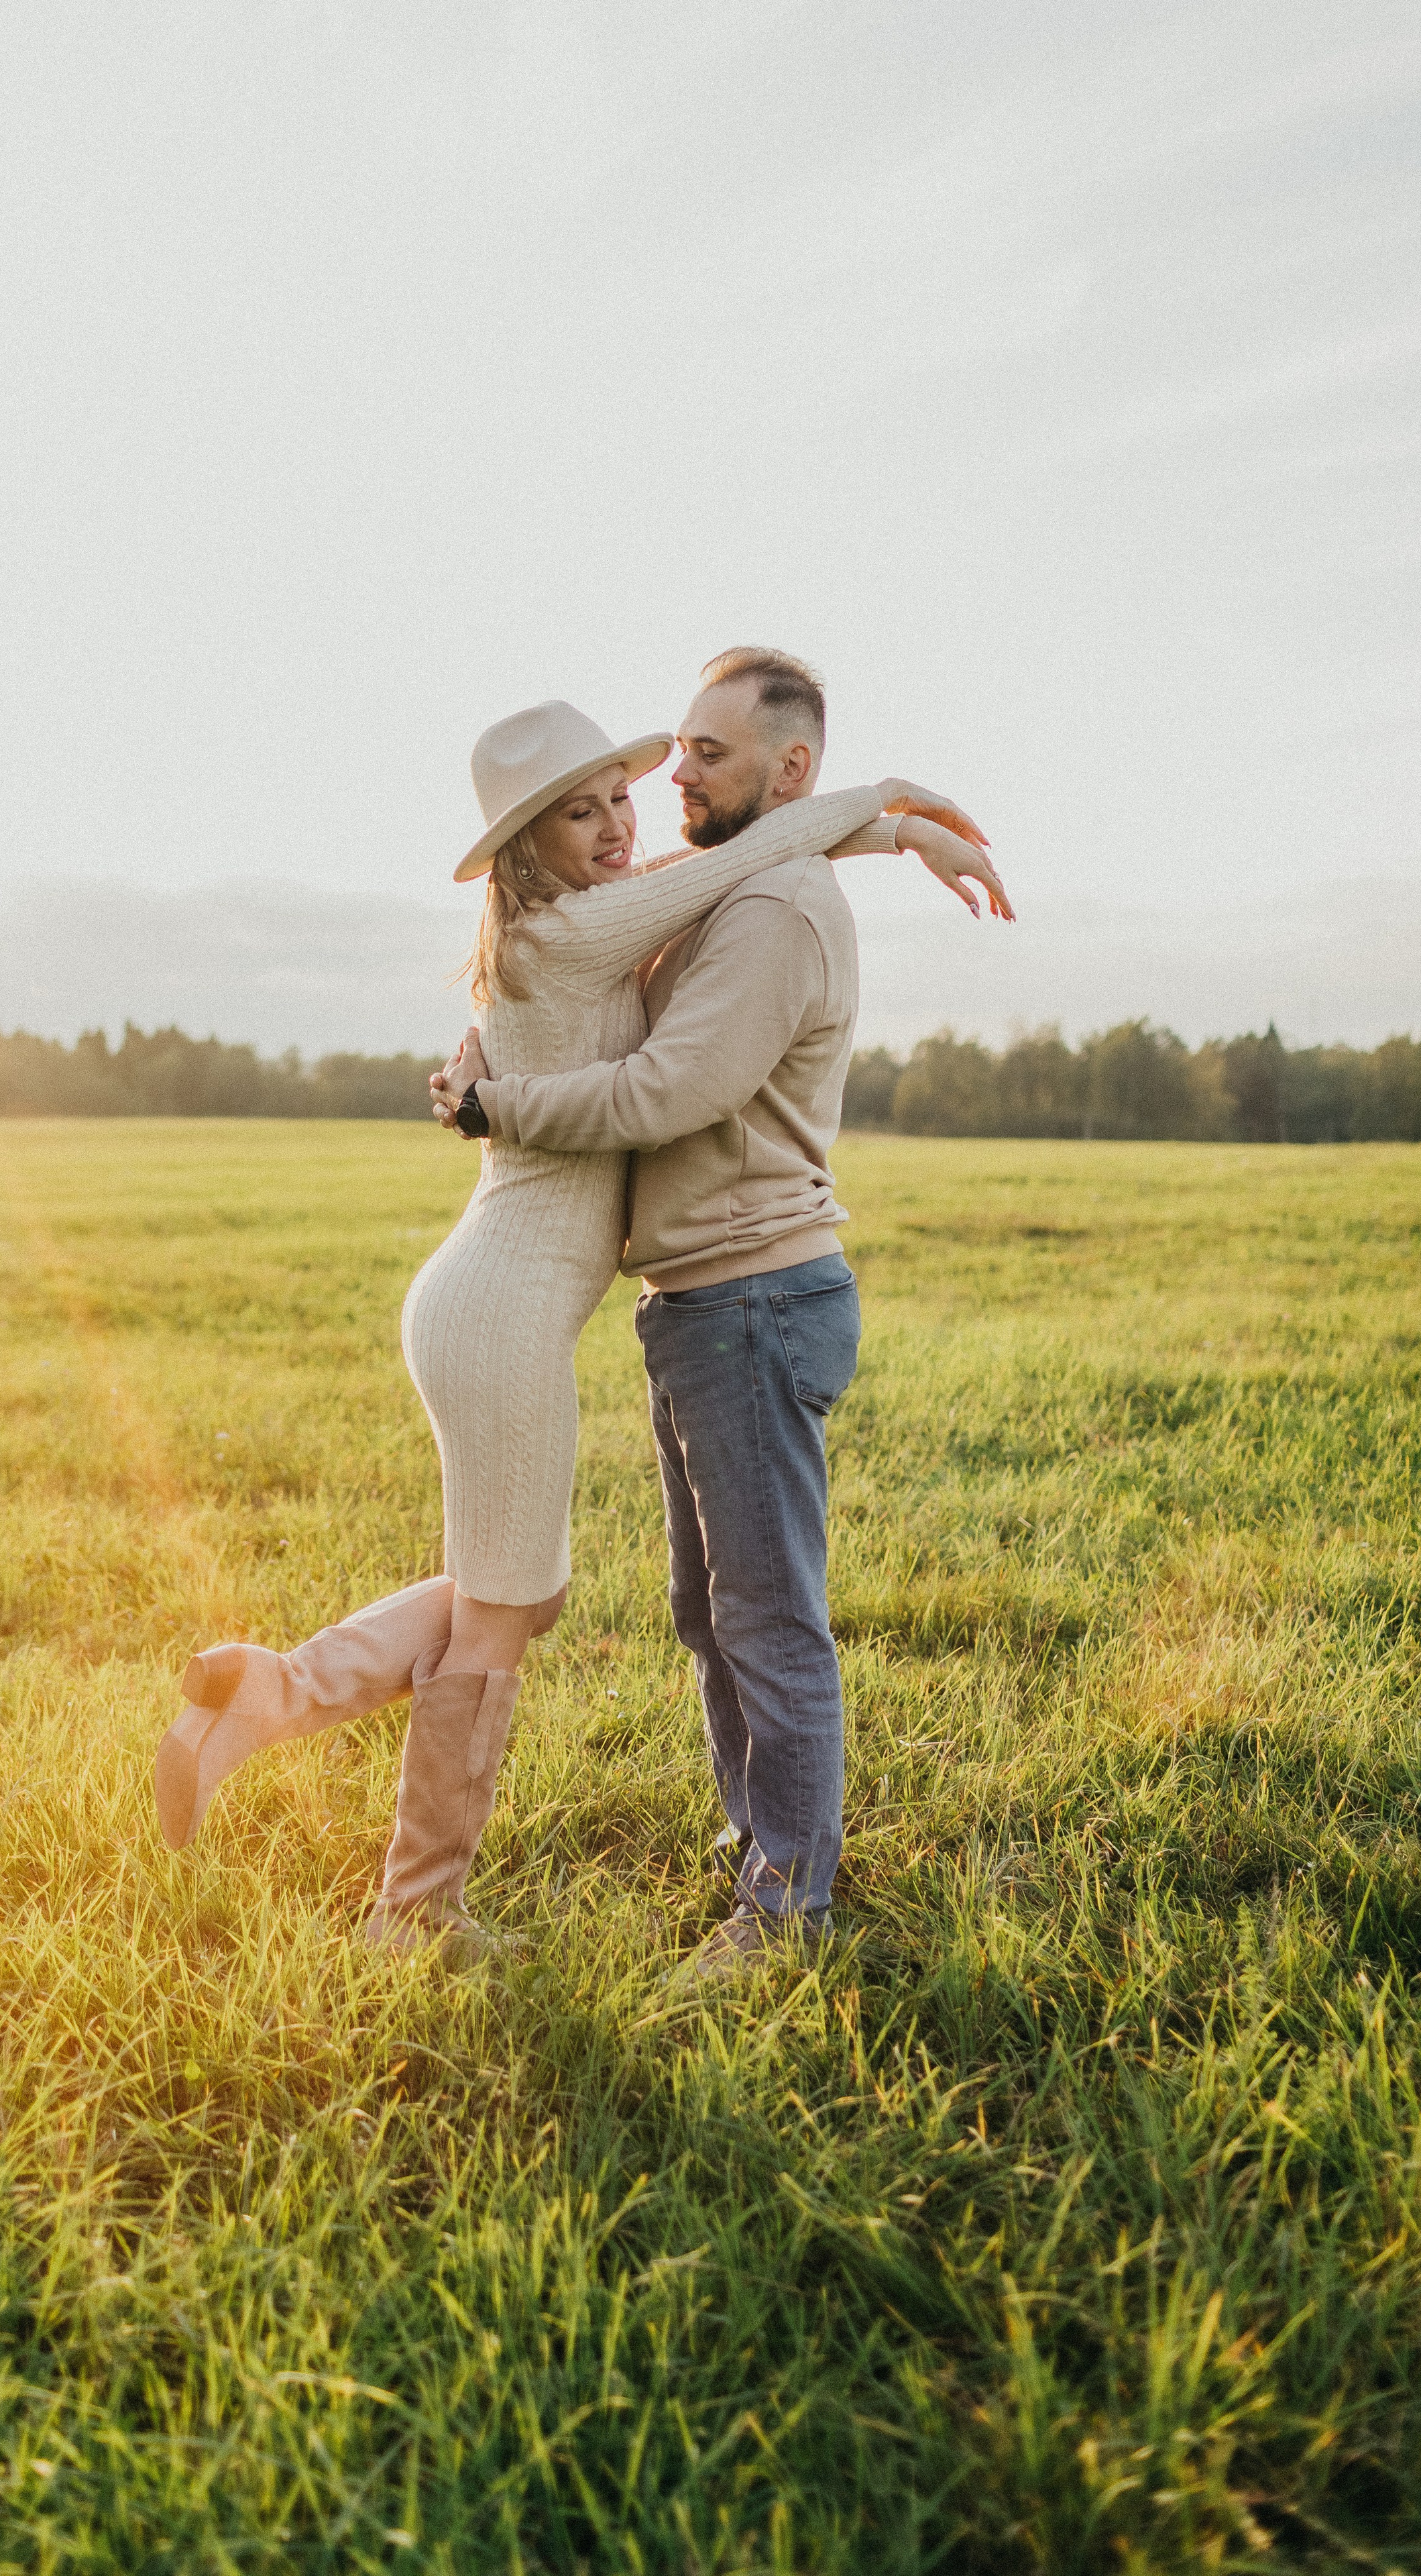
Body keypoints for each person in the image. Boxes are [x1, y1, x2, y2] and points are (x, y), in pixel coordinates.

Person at [155, 688, 1005, 1964]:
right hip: (499, 1311)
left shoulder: (556, 935)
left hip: (487, 1301)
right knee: (504, 1613)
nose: (617, 825)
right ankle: (412, 1910)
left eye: (620, 796)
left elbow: (722, 863)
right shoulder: (580, 937)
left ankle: (272, 1693)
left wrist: (888, 833)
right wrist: (893, 809)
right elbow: (757, 850)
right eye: (580, 811)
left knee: (513, 1594)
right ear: (525, 847)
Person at [430, 649, 1012, 1981]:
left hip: (751, 1293)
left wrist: (493, 1105)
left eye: (703, 753)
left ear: (786, 772)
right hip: (701, 1297)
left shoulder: (769, 913)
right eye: (673, 750)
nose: (668, 777)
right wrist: (486, 1047)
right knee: (711, 1614)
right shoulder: (722, 888)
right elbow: (577, 989)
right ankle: (758, 1852)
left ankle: (784, 1913)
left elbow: (663, 1088)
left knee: (764, 1618)